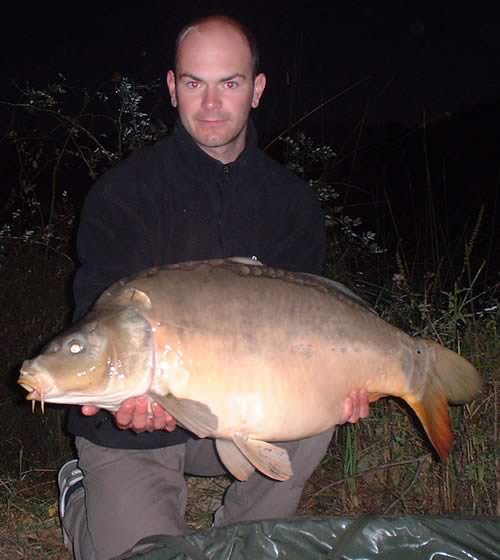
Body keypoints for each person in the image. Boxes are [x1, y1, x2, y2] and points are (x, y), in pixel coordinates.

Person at [59, 14, 370, 560]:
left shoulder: (290, 203)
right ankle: (82, 497)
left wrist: (347, 376)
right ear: (173, 87)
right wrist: (120, 399)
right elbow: (98, 321)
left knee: (313, 408)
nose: (210, 103)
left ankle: (240, 540)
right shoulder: (124, 193)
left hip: (235, 414)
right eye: (195, 83)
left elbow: (312, 320)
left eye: (229, 83)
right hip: (134, 422)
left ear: (257, 90)